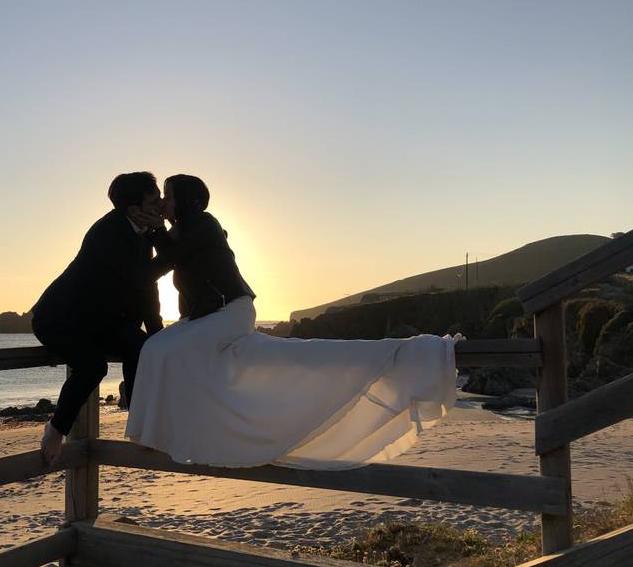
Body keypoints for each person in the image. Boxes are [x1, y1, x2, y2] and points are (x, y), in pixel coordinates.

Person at [126, 174, 458, 469]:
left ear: (186, 201)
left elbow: (174, 256)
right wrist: (137, 237)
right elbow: (155, 268)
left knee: (164, 348)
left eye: (167, 196)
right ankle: (149, 432)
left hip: (232, 311)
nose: (162, 202)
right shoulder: (179, 232)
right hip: (208, 315)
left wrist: (152, 229)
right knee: (155, 347)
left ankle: (156, 433)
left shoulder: (205, 224)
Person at [31, 172, 169, 465]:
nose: (161, 204)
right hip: (59, 318)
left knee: (143, 348)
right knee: (93, 366)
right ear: (133, 209)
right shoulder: (108, 232)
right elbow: (141, 280)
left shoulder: (141, 232)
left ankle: (138, 425)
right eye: (154, 199)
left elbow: (149, 291)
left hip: (100, 320)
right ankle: (56, 429)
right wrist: (164, 241)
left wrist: (156, 333)